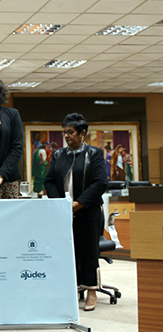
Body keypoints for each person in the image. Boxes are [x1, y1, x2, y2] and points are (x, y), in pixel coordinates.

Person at [44, 113, 109, 311]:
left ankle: (91, 291)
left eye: (70, 132)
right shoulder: (58, 155)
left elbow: (100, 183)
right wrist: (62, 205)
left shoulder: (95, 154)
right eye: (64, 133)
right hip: (63, 212)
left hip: (88, 211)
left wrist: (78, 204)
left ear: (83, 133)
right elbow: (49, 182)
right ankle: (70, 289)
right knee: (66, 252)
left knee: (88, 252)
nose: (67, 136)